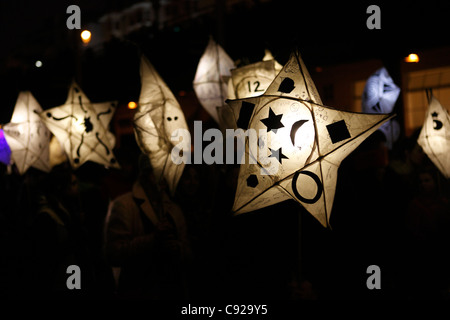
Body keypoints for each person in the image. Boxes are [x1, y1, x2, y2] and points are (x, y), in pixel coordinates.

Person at [104, 154, 191, 299]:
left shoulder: (173, 208)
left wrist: (177, 248)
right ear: (146, 174)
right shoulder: (125, 205)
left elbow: (188, 251)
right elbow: (113, 254)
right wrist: (152, 240)